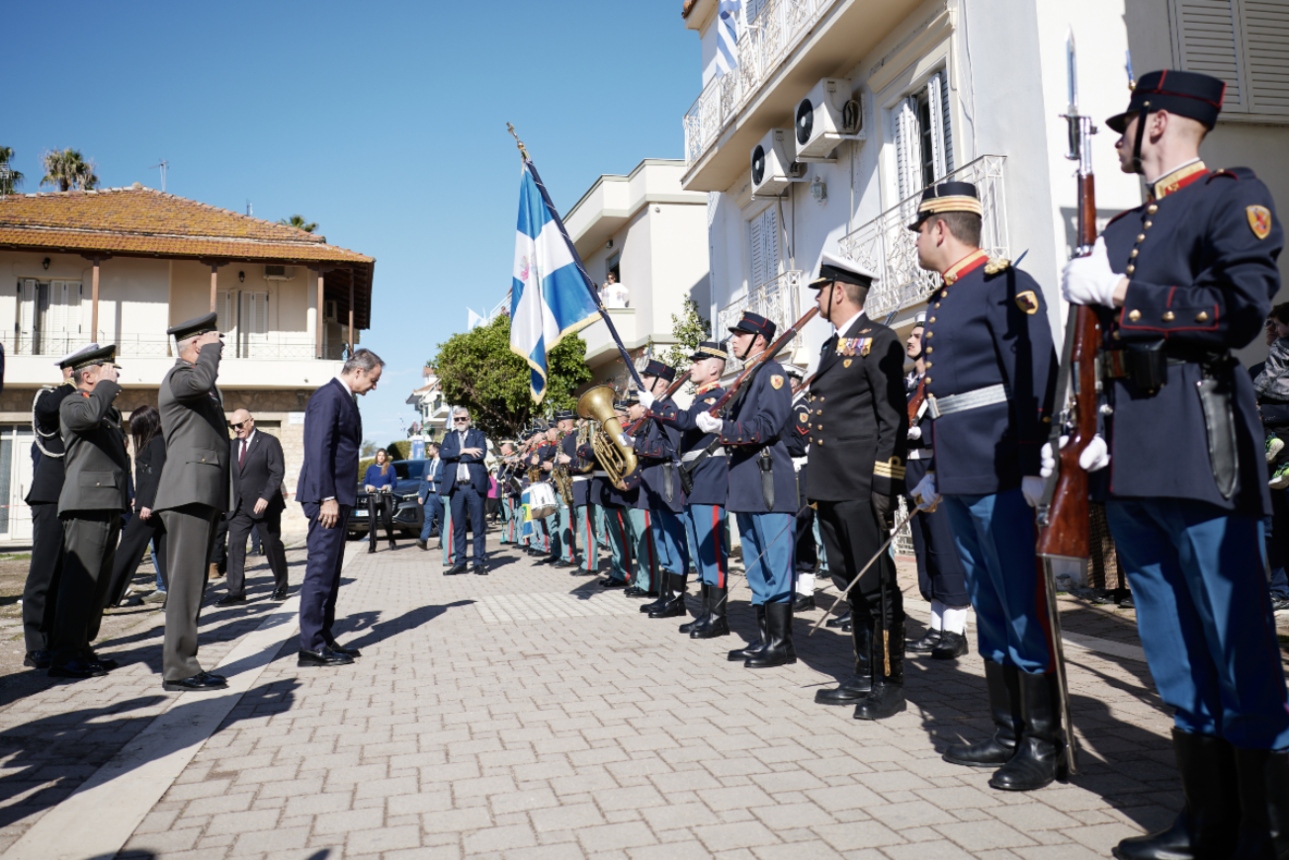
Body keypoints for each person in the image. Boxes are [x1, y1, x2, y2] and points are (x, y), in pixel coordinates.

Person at [1057, 70, 1289, 855]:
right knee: (1170, 644)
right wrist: (1083, 427)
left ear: (1155, 123)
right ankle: (1206, 819)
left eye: (1125, 124)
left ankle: (1265, 830)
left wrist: (1125, 290)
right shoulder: (1124, 224)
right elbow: (1095, 349)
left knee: (1235, 639)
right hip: (1129, 456)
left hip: (1198, 445)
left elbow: (1239, 312)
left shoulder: (1230, 197)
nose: (1117, 140)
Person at [907, 181, 1060, 789]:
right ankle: (1007, 729)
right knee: (990, 603)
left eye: (920, 231)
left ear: (940, 228)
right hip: (962, 469)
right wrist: (937, 471)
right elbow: (947, 399)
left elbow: (1035, 376)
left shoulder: (1004, 285)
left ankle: (1043, 744)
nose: (917, 242)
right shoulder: (945, 297)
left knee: (1020, 602)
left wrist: (1034, 462)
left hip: (1001, 468)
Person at [802, 253, 909, 719]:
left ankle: (889, 682)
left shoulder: (879, 340)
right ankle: (864, 674)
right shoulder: (833, 346)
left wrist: (885, 485)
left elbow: (892, 419)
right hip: (831, 482)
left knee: (877, 584)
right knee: (850, 582)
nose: (817, 300)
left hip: (862, 483)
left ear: (839, 291)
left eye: (821, 291)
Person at [695, 312, 799, 668]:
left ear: (760, 340)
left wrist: (723, 429)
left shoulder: (771, 374)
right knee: (756, 565)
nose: (734, 340)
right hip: (746, 481)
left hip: (767, 480)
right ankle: (765, 637)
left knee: (776, 563)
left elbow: (767, 425)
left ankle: (781, 644)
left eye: (740, 334)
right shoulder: (748, 377)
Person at [153, 314, 232, 692]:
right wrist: (210, 352)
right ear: (197, 344)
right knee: (185, 587)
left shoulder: (195, 381)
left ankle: (185, 663)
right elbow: (202, 380)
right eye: (215, 340)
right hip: (188, 492)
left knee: (193, 585)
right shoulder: (180, 376)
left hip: (200, 491)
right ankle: (179, 669)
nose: (221, 347)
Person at [47, 344, 129, 679]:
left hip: (108, 502)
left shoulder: (106, 410)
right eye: (107, 371)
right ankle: (65, 654)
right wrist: (106, 388)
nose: (115, 375)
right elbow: (89, 417)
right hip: (86, 503)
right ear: (89, 376)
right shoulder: (72, 403)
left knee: (97, 586)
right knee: (79, 583)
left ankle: (82, 647)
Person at [297, 348, 382, 666]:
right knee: (320, 571)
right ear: (358, 371)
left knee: (331, 573)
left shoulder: (344, 398)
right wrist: (326, 497)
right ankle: (311, 646)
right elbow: (318, 450)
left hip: (338, 497)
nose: (374, 386)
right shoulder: (329, 397)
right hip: (327, 499)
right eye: (373, 379)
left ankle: (324, 637)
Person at [21, 343, 98, 669]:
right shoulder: (50, 395)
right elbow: (47, 410)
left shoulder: (83, 405)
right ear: (72, 371)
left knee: (67, 573)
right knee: (44, 572)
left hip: (75, 496)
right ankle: (35, 644)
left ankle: (60, 640)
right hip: (51, 495)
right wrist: (72, 383)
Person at [902, 316, 971, 659]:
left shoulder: (942, 379)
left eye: (918, 336)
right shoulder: (909, 383)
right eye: (911, 335)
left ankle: (956, 631)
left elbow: (953, 424)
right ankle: (936, 626)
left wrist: (923, 432)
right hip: (911, 468)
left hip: (936, 467)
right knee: (925, 550)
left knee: (944, 548)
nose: (911, 340)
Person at [649, 342, 730, 630]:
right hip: (696, 480)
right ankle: (708, 614)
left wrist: (655, 405)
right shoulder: (700, 398)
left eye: (698, 361)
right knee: (700, 549)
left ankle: (717, 617)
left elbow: (684, 422)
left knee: (712, 550)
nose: (692, 366)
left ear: (714, 367)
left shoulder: (715, 398)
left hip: (710, 479)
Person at [633, 360, 689, 614]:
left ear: (662, 383)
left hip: (666, 482)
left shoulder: (668, 409)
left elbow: (671, 447)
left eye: (647, 377)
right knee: (662, 541)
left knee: (673, 540)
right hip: (654, 483)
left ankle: (676, 599)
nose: (643, 381)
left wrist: (637, 445)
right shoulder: (652, 411)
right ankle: (666, 595)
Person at [221, 409, 289, 603]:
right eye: (232, 426)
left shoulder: (269, 442)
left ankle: (281, 585)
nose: (236, 429)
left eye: (239, 425)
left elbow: (277, 472)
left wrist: (266, 497)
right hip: (239, 506)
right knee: (235, 547)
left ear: (251, 421)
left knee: (271, 545)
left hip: (264, 506)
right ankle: (235, 592)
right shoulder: (232, 446)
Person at [105, 405, 169, 608]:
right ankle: (173, 595)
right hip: (147, 505)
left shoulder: (157, 441)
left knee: (127, 548)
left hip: (149, 508)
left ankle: (107, 596)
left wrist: (147, 503)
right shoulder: (154, 441)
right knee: (162, 551)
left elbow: (157, 474)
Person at [782, 365, 820, 612]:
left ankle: (806, 590)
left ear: (795, 383)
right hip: (789, 472)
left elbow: (800, 442)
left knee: (803, 527)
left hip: (801, 472)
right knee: (792, 530)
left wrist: (774, 438)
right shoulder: (787, 406)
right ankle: (795, 585)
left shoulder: (800, 407)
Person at [440, 406, 489, 575]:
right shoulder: (449, 437)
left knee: (478, 526)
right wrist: (464, 450)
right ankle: (460, 562)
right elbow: (443, 454)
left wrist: (455, 455)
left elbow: (480, 454)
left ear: (469, 419)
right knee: (459, 527)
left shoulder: (478, 435)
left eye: (463, 418)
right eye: (456, 419)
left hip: (474, 486)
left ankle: (478, 562)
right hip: (456, 488)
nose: (460, 421)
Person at [362, 448, 398, 553]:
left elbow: (394, 483)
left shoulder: (390, 468)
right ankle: (372, 546)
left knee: (387, 520)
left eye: (383, 455)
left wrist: (387, 486)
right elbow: (366, 482)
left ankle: (391, 540)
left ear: (385, 457)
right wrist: (368, 487)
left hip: (385, 496)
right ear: (376, 457)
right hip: (372, 496)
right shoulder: (371, 468)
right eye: (379, 455)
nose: (381, 457)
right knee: (372, 520)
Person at [417, 442, 443, 551]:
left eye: (430, 449)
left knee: (442, 519)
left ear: (436, 450)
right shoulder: (427, 463)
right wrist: (420, 495)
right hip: (428, 496)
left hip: (439, 494)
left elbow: (447, 477)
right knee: (428, 518)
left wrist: (434, 478)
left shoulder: (444, 462)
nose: (428, 451)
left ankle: (442, 541)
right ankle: (423, 540)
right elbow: (423, 479)